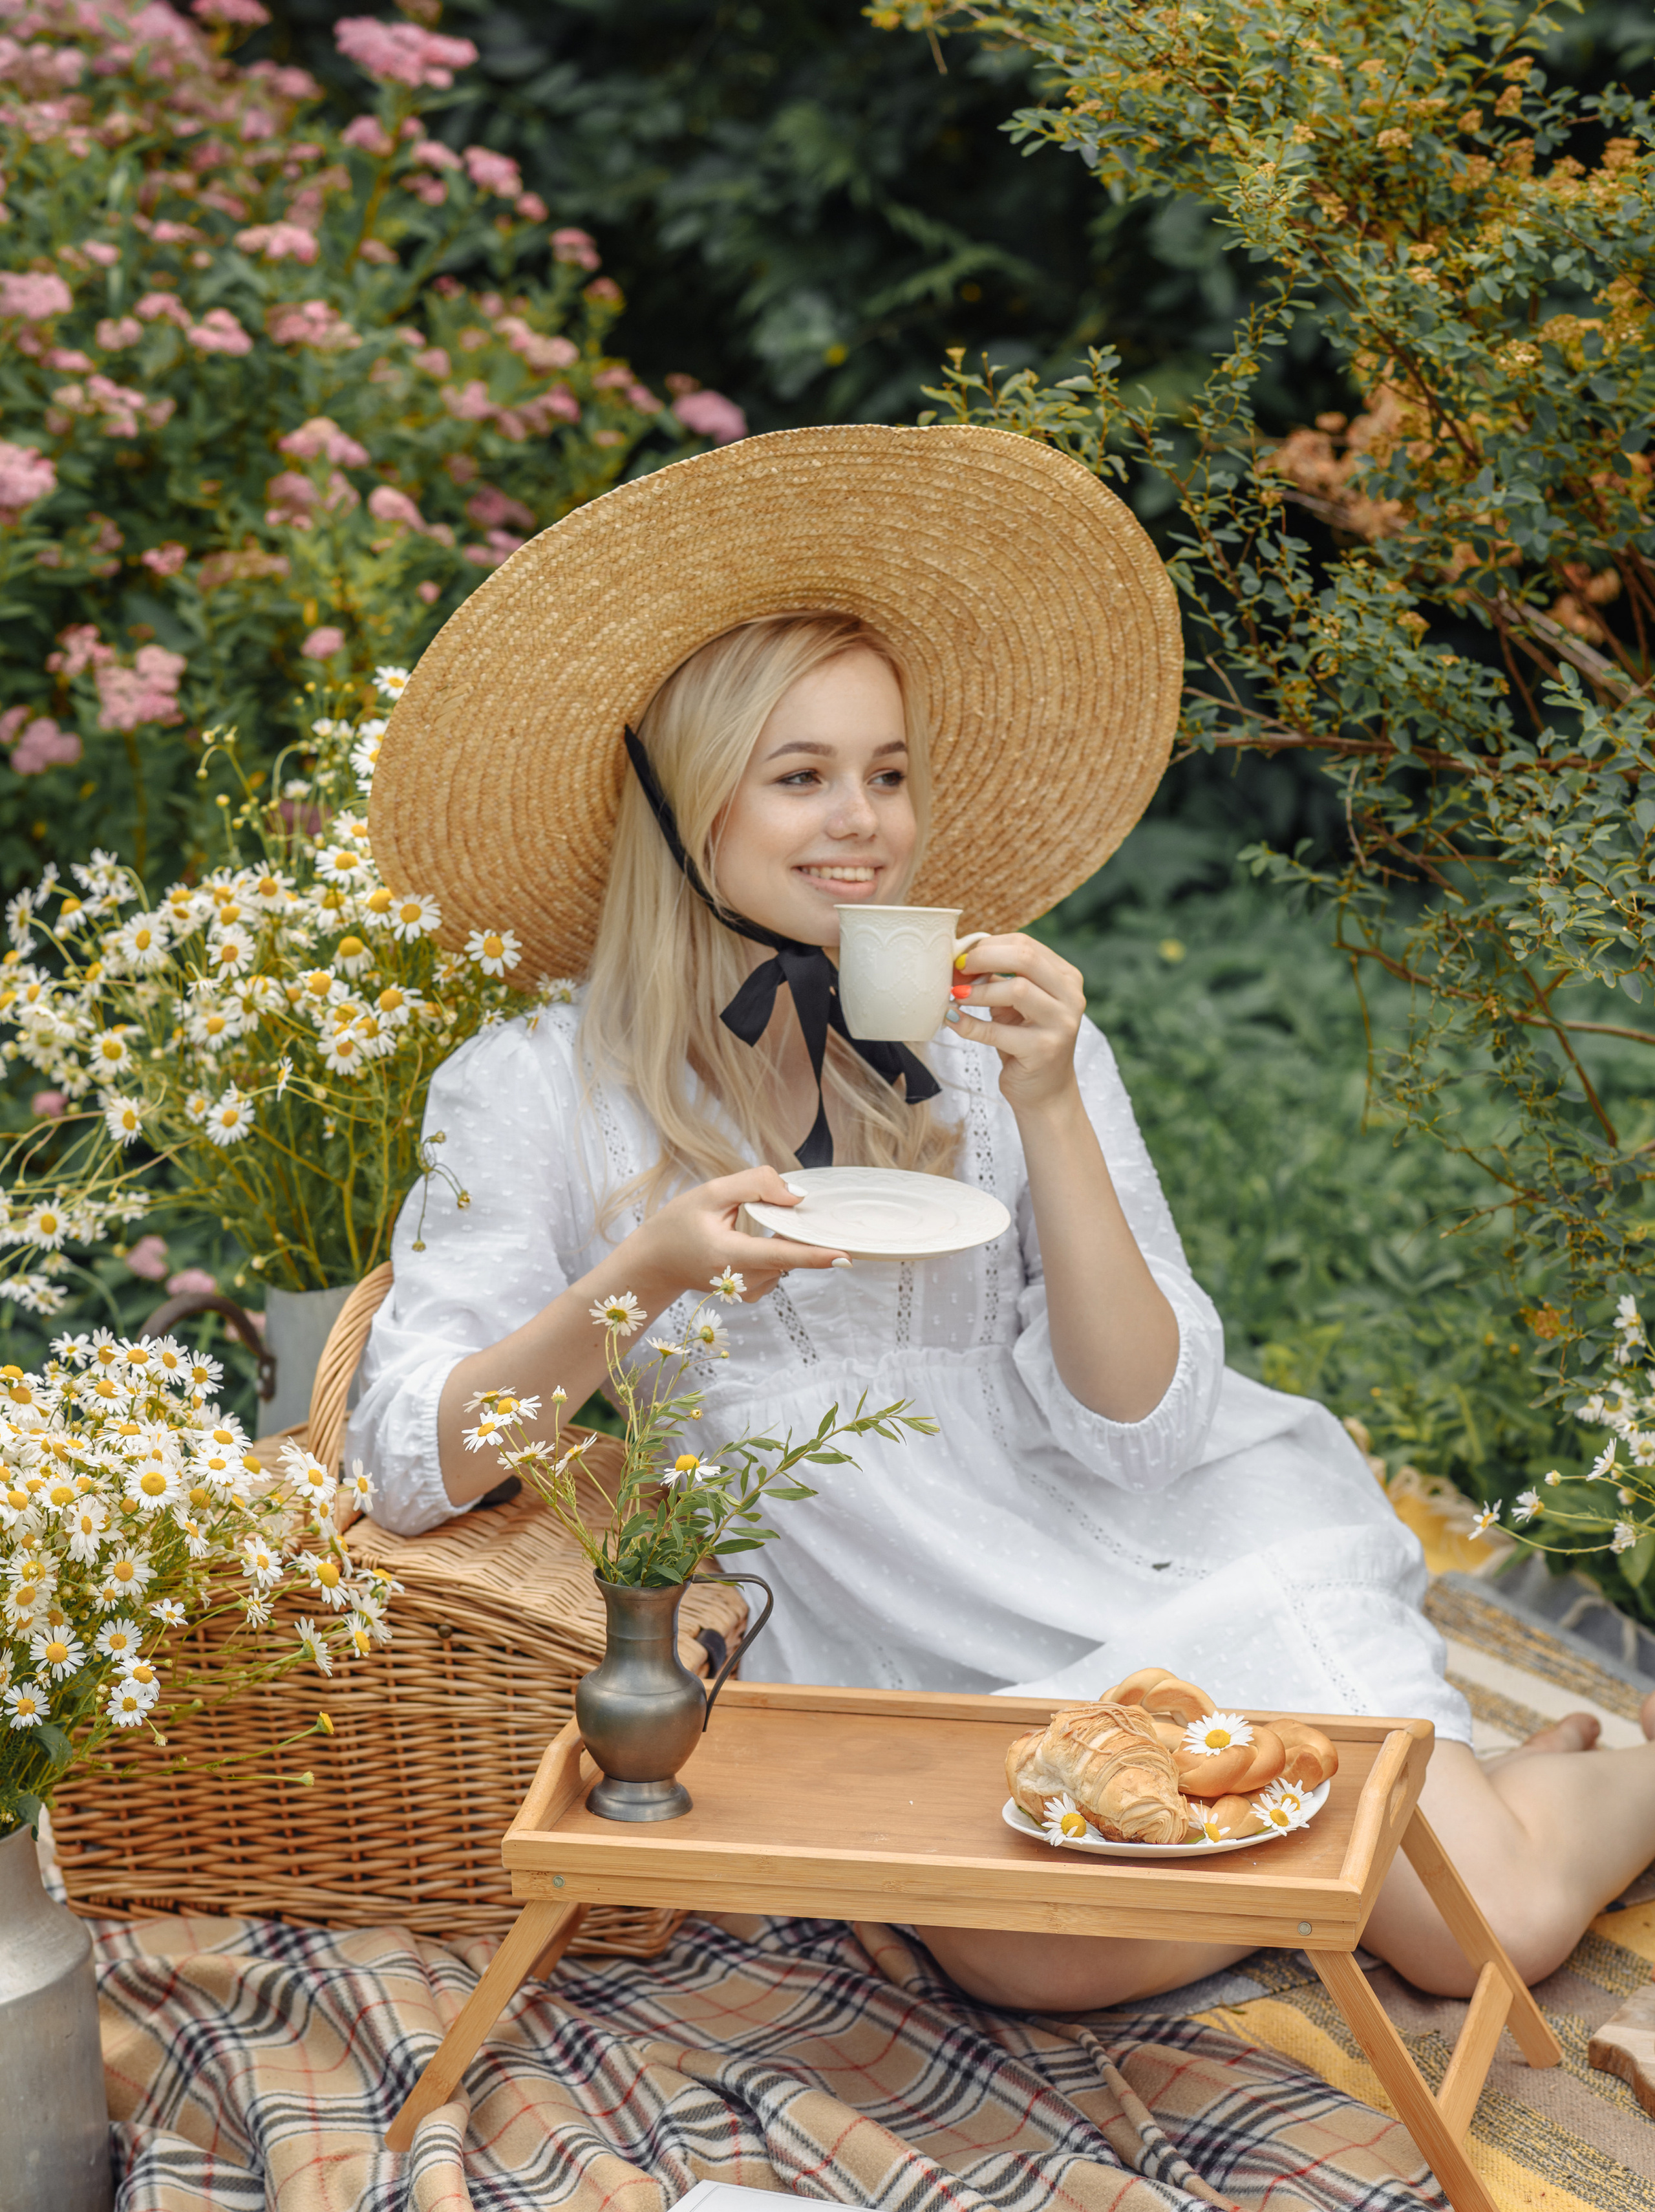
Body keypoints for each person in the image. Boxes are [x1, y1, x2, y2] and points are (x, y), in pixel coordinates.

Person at [349, 425, 1655, 2013]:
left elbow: (1138, 1433)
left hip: (1155, 1548)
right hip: (881, 1625)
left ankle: (1575, 1785)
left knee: (1478, 1936)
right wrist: (644, 1276)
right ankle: (1368, 1813)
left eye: (889, 773)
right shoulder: (529, 1084)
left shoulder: (998, 1040)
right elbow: (407, 1459)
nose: (865, 822)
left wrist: (1045, 1106)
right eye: (801, 776)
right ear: (684, 807)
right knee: (1025, 1961)